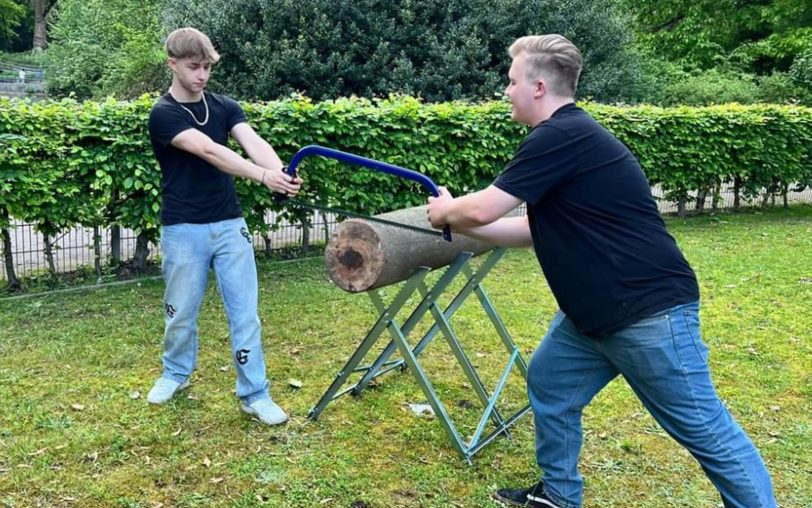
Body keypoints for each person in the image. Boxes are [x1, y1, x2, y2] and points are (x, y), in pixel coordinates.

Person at [426, 34, 776, 508]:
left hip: (648, 314)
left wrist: (449, 212)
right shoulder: (566, 139)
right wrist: (465, 226)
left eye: (511, 81)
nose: (505, 90)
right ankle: (559, 496)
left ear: (539, 87)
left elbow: (484, 208)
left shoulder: (559, 135)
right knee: (550, 383)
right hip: (592, 317)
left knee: (707, 433)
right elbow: (532, 229)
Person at [146, 27, 301, 425]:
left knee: (245, 313)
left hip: (230, 225)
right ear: (172, 64)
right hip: (183, 229)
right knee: (180, 312)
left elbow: (252, 142)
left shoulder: (225, 106)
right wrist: (262, 178)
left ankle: (255, 393)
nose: (202, 75)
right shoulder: (164, 114)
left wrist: (278, 171)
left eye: (207, 67)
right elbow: (209, 150)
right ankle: (175, 374)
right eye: (194, 67)